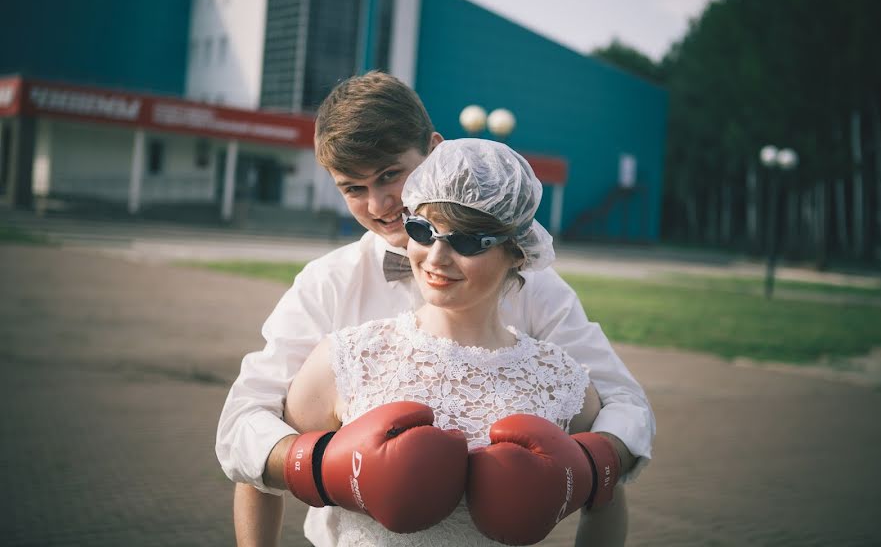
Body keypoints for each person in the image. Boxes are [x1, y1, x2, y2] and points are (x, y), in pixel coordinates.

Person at [215, 71, 655, 546]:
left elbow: (623, 405)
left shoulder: (533, 284)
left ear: (434, 151)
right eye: (352, 189)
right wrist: (327, 466)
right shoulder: (328, 283)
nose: (380, 205)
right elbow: (245, 426)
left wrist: (588, 467)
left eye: (389, 175)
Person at [281, 138, 624, 546]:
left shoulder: (561, 381)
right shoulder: (348, 358)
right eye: (422, 231)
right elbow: (261, 468)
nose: (436, 257)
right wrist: (330, 470)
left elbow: (608, 495)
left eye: (464, 241)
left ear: (516, 252)